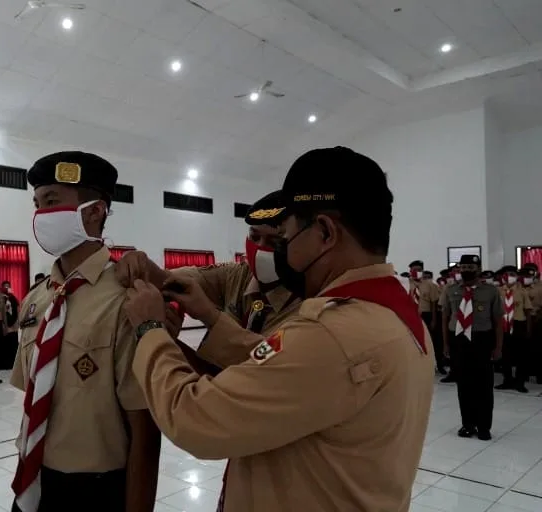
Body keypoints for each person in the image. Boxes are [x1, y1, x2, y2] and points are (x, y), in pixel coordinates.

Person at [122, 146, 434, 511]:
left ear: (324, 232)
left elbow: (195, 419)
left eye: (286, 237)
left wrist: (150, 331)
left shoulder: (332, 333)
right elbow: (280, 374)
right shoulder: (391, 313)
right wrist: (207, 315)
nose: (278, 253)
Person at [10, 151, 160, 512]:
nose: (40, 215)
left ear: (95, 211)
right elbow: (32, 399)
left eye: (51, 201)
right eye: (37, 203)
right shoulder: (37, 299)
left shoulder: (128, 298)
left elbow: (145, 429)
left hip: (95, 489)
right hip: (32, 479)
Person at [115, 190, 301, 372]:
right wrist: (141, 263)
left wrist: (209, 316)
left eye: (274, 242)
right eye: (254, 237)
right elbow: (170, 281)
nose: (260, 249)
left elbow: (265, 364)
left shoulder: (307, 302)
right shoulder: (238, 275)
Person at [441, 254, 503, 440]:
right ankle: (468, 424)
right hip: (458, 340)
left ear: (478, 269)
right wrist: (445, 344)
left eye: (470, 267)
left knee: (484, 385)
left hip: (482, 340)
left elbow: (498, 320)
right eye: (464, 267)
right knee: (464, 385)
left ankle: (484, 427)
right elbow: (445, 317)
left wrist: (498, 346)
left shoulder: (490, 291)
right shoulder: (450, 289)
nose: (467, 270)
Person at [495, 266, 532, 393]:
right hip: (503, 324)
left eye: (511, 274)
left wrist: (528, 329)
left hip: (518, 324)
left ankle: (520, 382)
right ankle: (507, 380)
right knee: (506, 355)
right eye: (506, 274)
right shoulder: (498, 291)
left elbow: (527, 311)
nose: (509, 276)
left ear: (516, 276)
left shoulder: (522, 291)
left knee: (521, 355)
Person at [409, 261, 445, 374]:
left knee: (434, 342)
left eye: (419, 269)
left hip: (427, 315)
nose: (417, 272)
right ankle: (417, 366)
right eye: (414, 270)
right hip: (412, 315)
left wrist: (434, 319)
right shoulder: (406, 284)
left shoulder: (430, 284)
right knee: (414, 342)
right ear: (410, 271)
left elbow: (434, 302)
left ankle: (440, 365)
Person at [1, 280, 20, 370]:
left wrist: (18, 321)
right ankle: (4, 364)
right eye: (5, 286)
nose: (7, 288)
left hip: (13, 326)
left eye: (8, 286)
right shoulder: (0, 298)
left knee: (13, 345)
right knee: (4, 346)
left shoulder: (13, 298)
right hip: (4, 327)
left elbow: (17, 310)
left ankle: (13, 364)